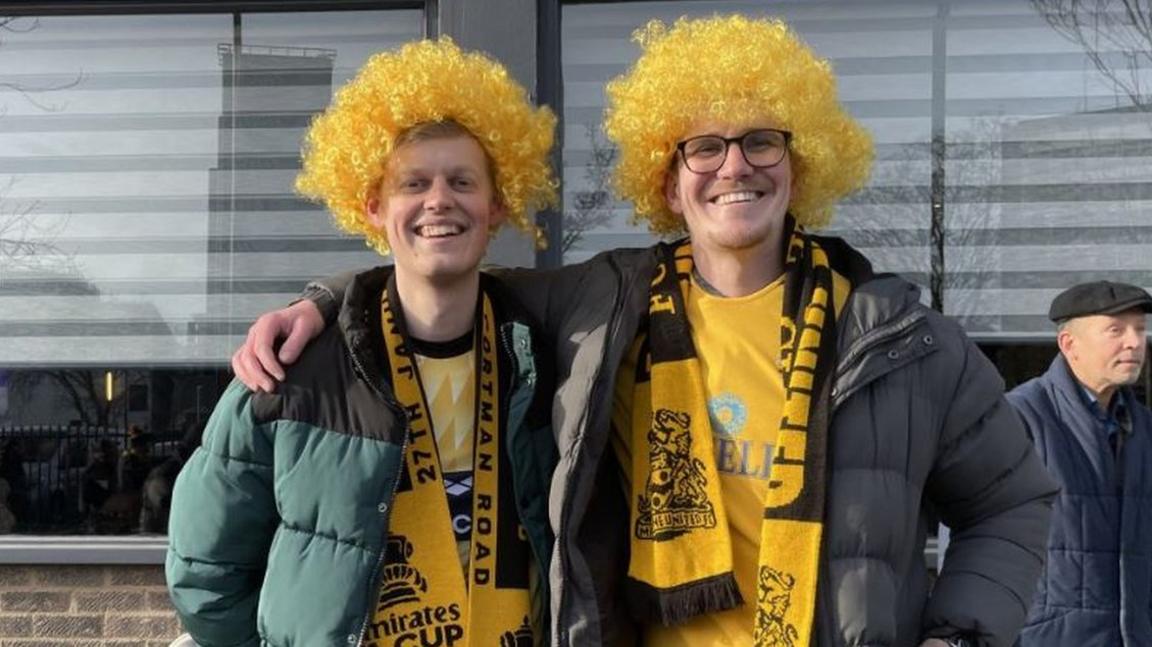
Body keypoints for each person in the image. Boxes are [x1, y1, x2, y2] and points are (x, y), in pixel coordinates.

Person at [231, 15, 1058, 647]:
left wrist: (960, 635)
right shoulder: (603, 306)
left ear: (800, 165)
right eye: (704, 146)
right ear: (667, 179)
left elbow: (1015, 501)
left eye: (761, 140)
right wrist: (324, 300)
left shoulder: (898, 338)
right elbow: (442, 268)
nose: (735, 166)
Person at [166, 38, 558, 647]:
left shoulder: (549, 354)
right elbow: (204, 572)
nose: (439, 200)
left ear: (497, 205)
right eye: (413, 184)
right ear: (373, 206)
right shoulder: (287, 374)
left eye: (462, 181)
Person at [1007, 281, 1152, 646]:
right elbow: (975, 536)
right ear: (1069, 344)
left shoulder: (1144, 428)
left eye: (1140, 329)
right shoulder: (1017, 418)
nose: (1135, 342)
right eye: (1116, 330)